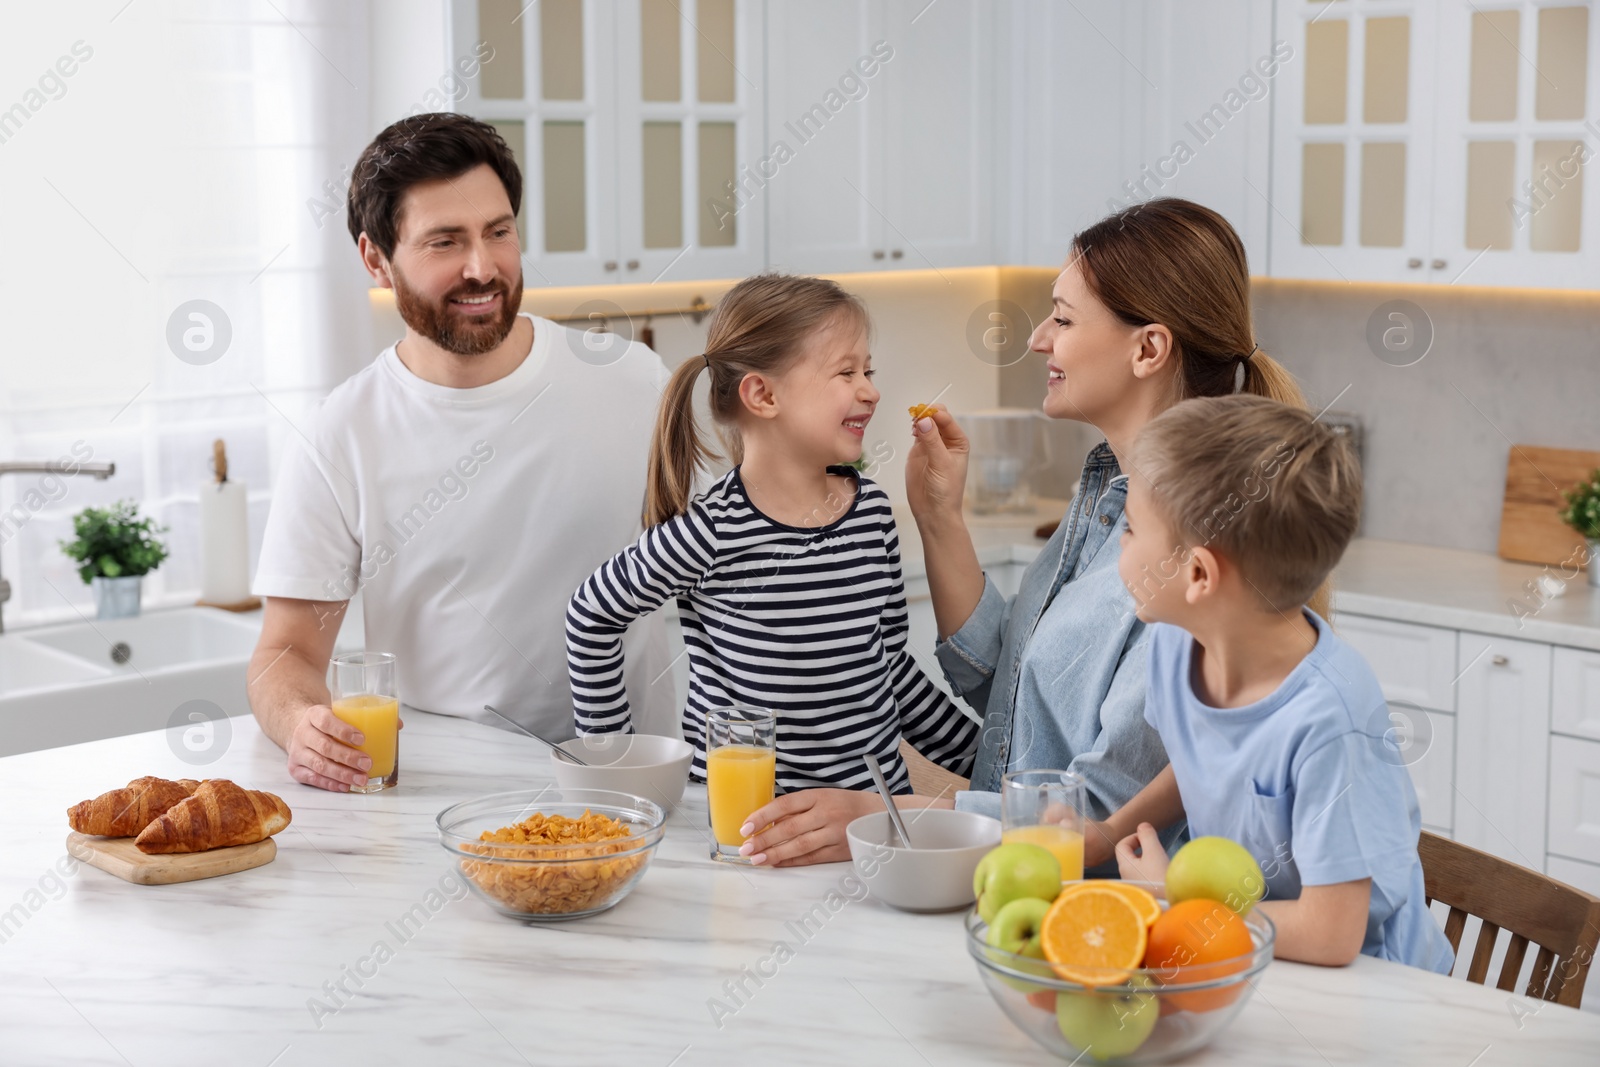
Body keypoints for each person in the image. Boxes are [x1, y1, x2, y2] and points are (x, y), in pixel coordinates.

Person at [736, 198, 1320, 867]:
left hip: (1114, 924)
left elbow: (1105, 819)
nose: (1038, 337)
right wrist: (940, 519)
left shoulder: (1195, 548)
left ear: (1148, 348)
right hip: (1018, 883)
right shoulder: (1106, 489)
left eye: (1063, 319)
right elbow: (1016, 694)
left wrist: (891, 816)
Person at [248, 113, 673, 792]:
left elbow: (740, 578)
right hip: (448, 799)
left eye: (498, 232)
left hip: (635, 791)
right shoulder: (342, 432)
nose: (482, 267)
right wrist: (302, 721)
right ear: (375, 259)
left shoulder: (636, 384)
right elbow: (285, 651)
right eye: (445, 242)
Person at [566, 274, 978, 816]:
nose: (871, 389)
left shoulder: (872, 513)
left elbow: (890, 668)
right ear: (763, 395)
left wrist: (991, 763)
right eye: (846, 372)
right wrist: (611, 765)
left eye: (869, 370)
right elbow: (591, 616)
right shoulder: (711, 531)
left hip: (867, 826)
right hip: (744, 831)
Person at [1108, 394, 1454, 972]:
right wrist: (1108, 830)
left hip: (1374, 989)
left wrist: (1174, 902)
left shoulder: (1330, 719)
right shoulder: (1175, 644)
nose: (1120, 544)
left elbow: (1331, 935)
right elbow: (1204, 763)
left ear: (1197, 573)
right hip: (1256, 958)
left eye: (1129, 528)